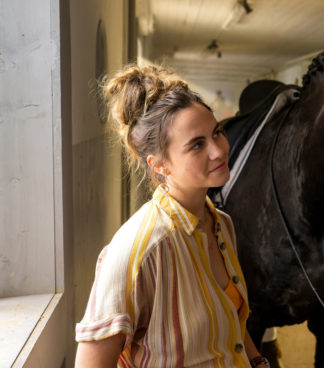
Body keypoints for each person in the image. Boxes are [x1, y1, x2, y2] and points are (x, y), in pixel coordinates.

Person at [74, 65, 269, 368]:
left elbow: (230, 321)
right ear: (160, 165)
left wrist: (257, 361)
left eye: (217, 132)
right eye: (197, 145)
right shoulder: (140, 249)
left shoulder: (222, 225)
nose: (218, 150)